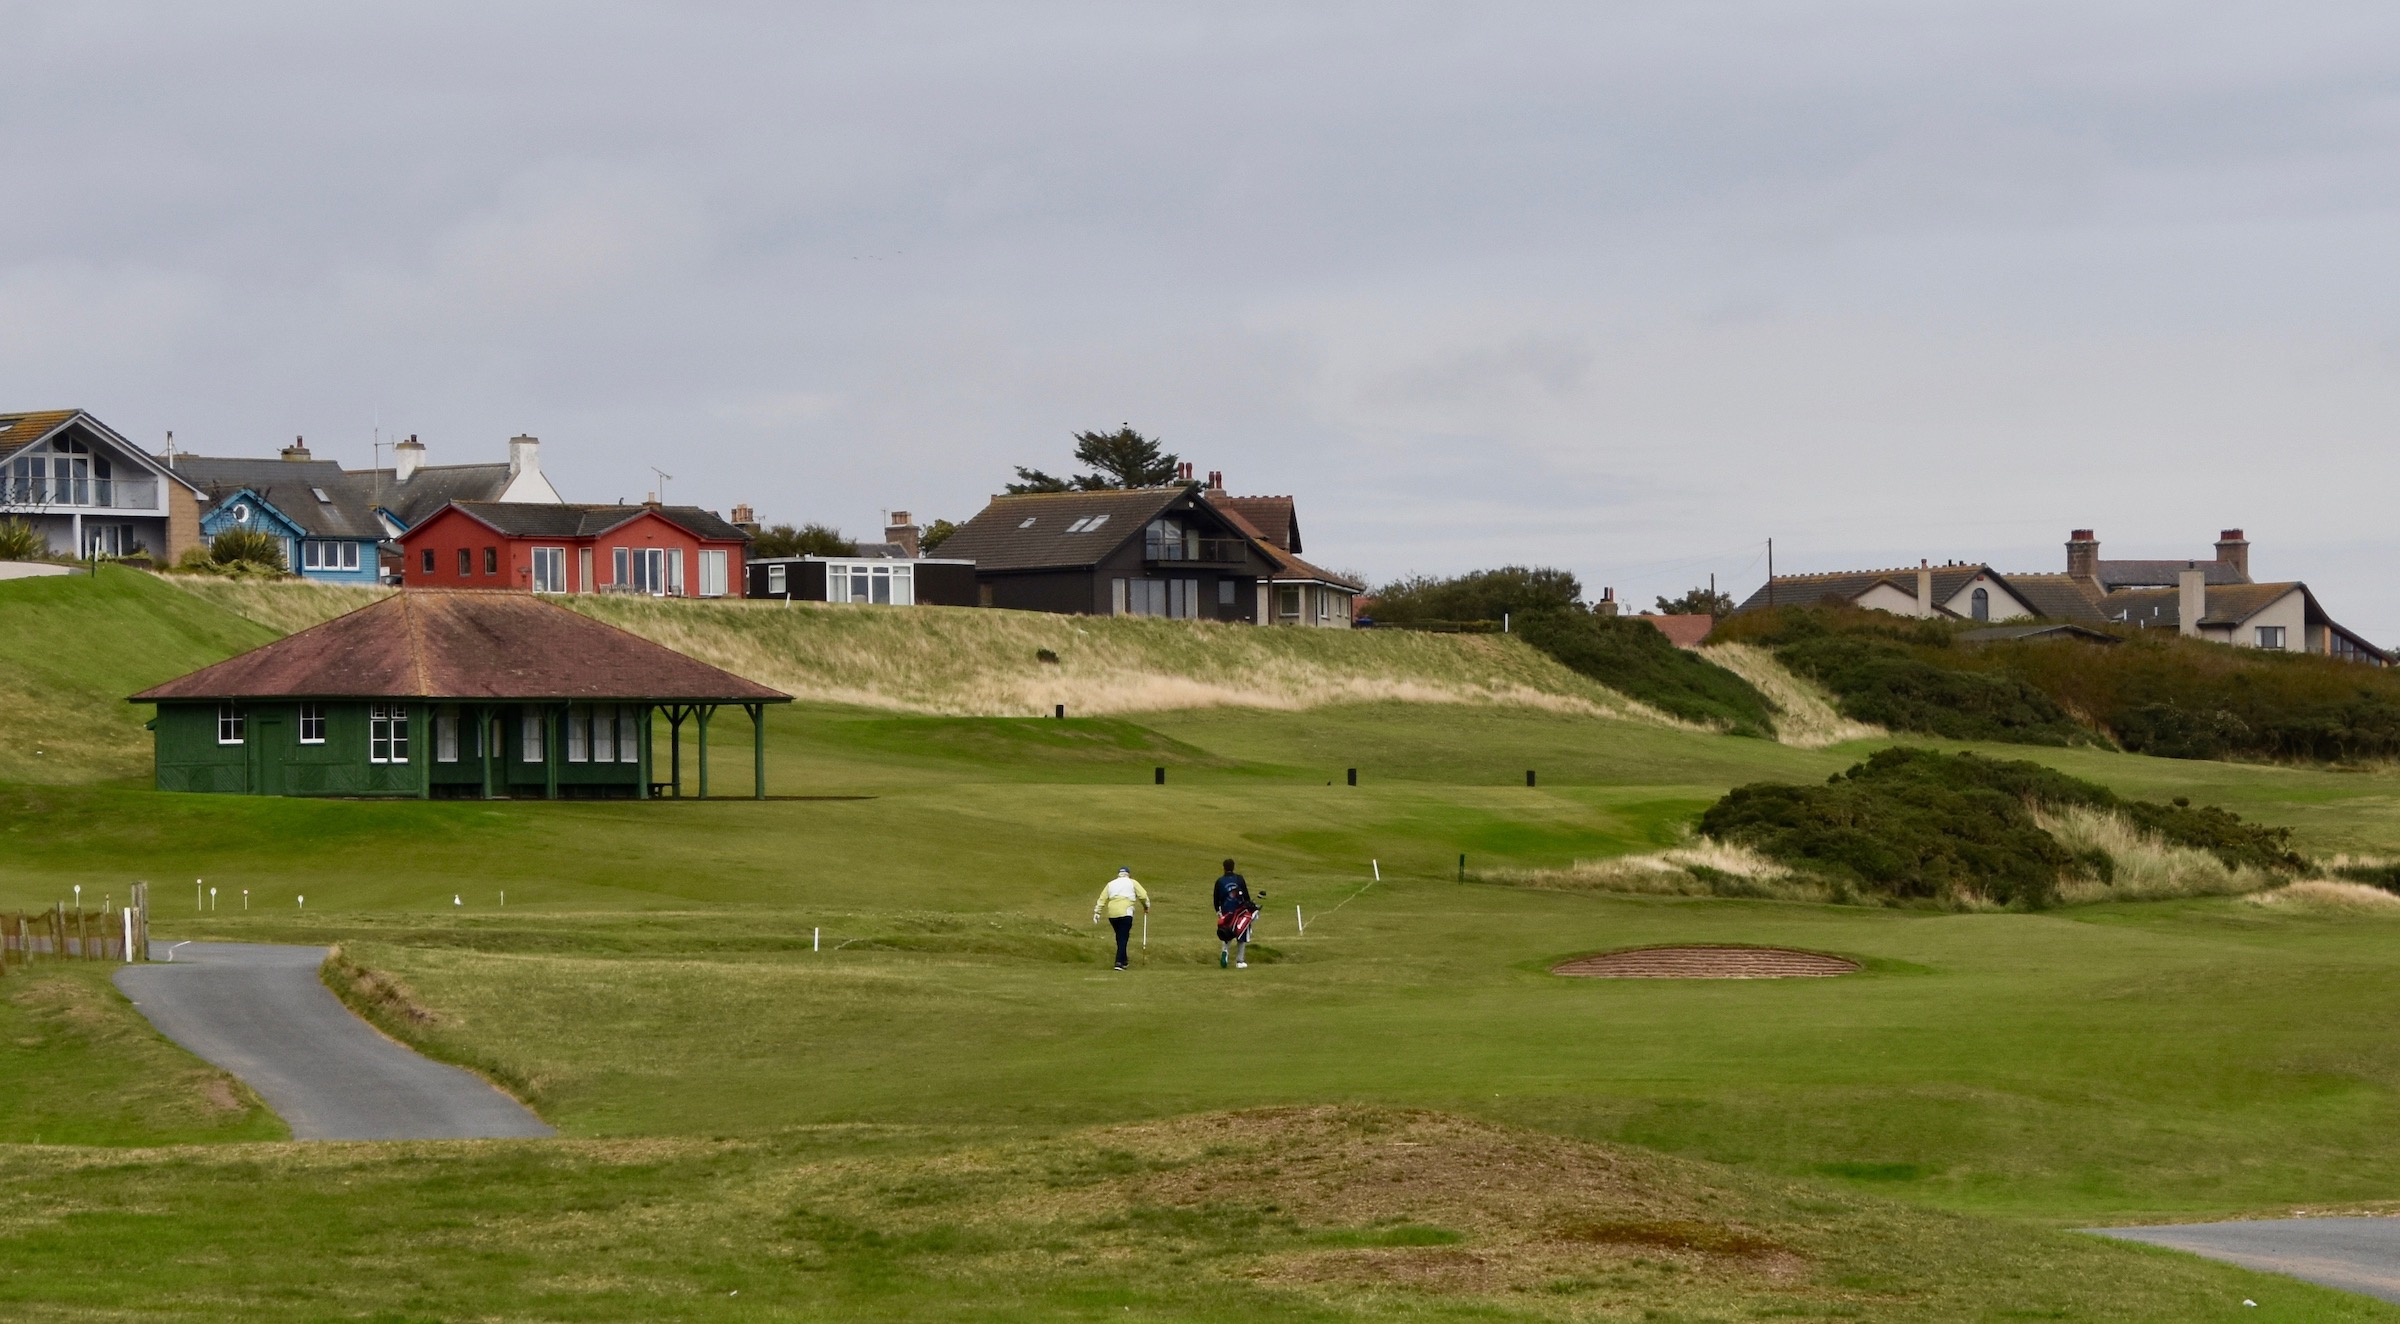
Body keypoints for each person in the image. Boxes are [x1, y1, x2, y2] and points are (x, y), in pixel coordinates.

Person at [1091, 867, 1152, 971]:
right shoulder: (1132, 882)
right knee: (1123, 937)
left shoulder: (1111, 884)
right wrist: (1146, 906)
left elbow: (1102, 899)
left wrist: (1097, 912)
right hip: (1126, 912)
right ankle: (1119, 962)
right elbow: (1142, 896)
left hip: (1112, 913)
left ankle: (1124, 960)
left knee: (1120, 937)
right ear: (1128, 874)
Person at [1213, 858, 1261, 969]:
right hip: (1240, 911)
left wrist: (1218, 912)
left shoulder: (1219, 881)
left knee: (1227, 934)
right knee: (1241, 933)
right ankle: (1240, 961)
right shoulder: (1239, 879)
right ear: (1233, 867)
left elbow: (1216, 900)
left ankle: (1225, 952)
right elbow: (1246, 896)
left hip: (1226, 912)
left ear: (1224, 868)